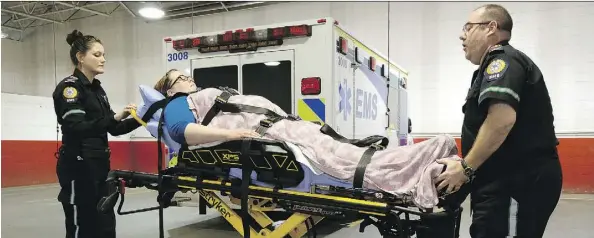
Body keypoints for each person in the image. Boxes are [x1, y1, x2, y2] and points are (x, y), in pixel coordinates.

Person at [150, 69, 462, 210]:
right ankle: (417, 168)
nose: (188, 79)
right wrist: (233, 133)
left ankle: (417, 164)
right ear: (169, 89)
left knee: (343, 152)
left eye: (188, 76)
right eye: (180, 78)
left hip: (286, 128)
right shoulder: (177, 104)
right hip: (276, 134)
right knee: (341, 160)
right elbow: (181, 132)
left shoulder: (202, 96)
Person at [435, 4, 563, 238]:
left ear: (491, 28)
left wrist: (465, 168)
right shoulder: (490, 67)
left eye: (468, 27)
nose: (462, 35)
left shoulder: (503, 61)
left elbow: (501, 120)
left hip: (516, 182)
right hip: (503, 180)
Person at [52, 29, 141, 238]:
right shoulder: (70, 88)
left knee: (104, 224)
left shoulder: (98, 90)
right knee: (82, 226)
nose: (103, 59)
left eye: (104, 55)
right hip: (78, 167)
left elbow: (114, 128)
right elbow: (77, 127)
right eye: (97, 55)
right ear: (80, 58)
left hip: (100, 166)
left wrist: (142, 118)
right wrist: (116, 117)